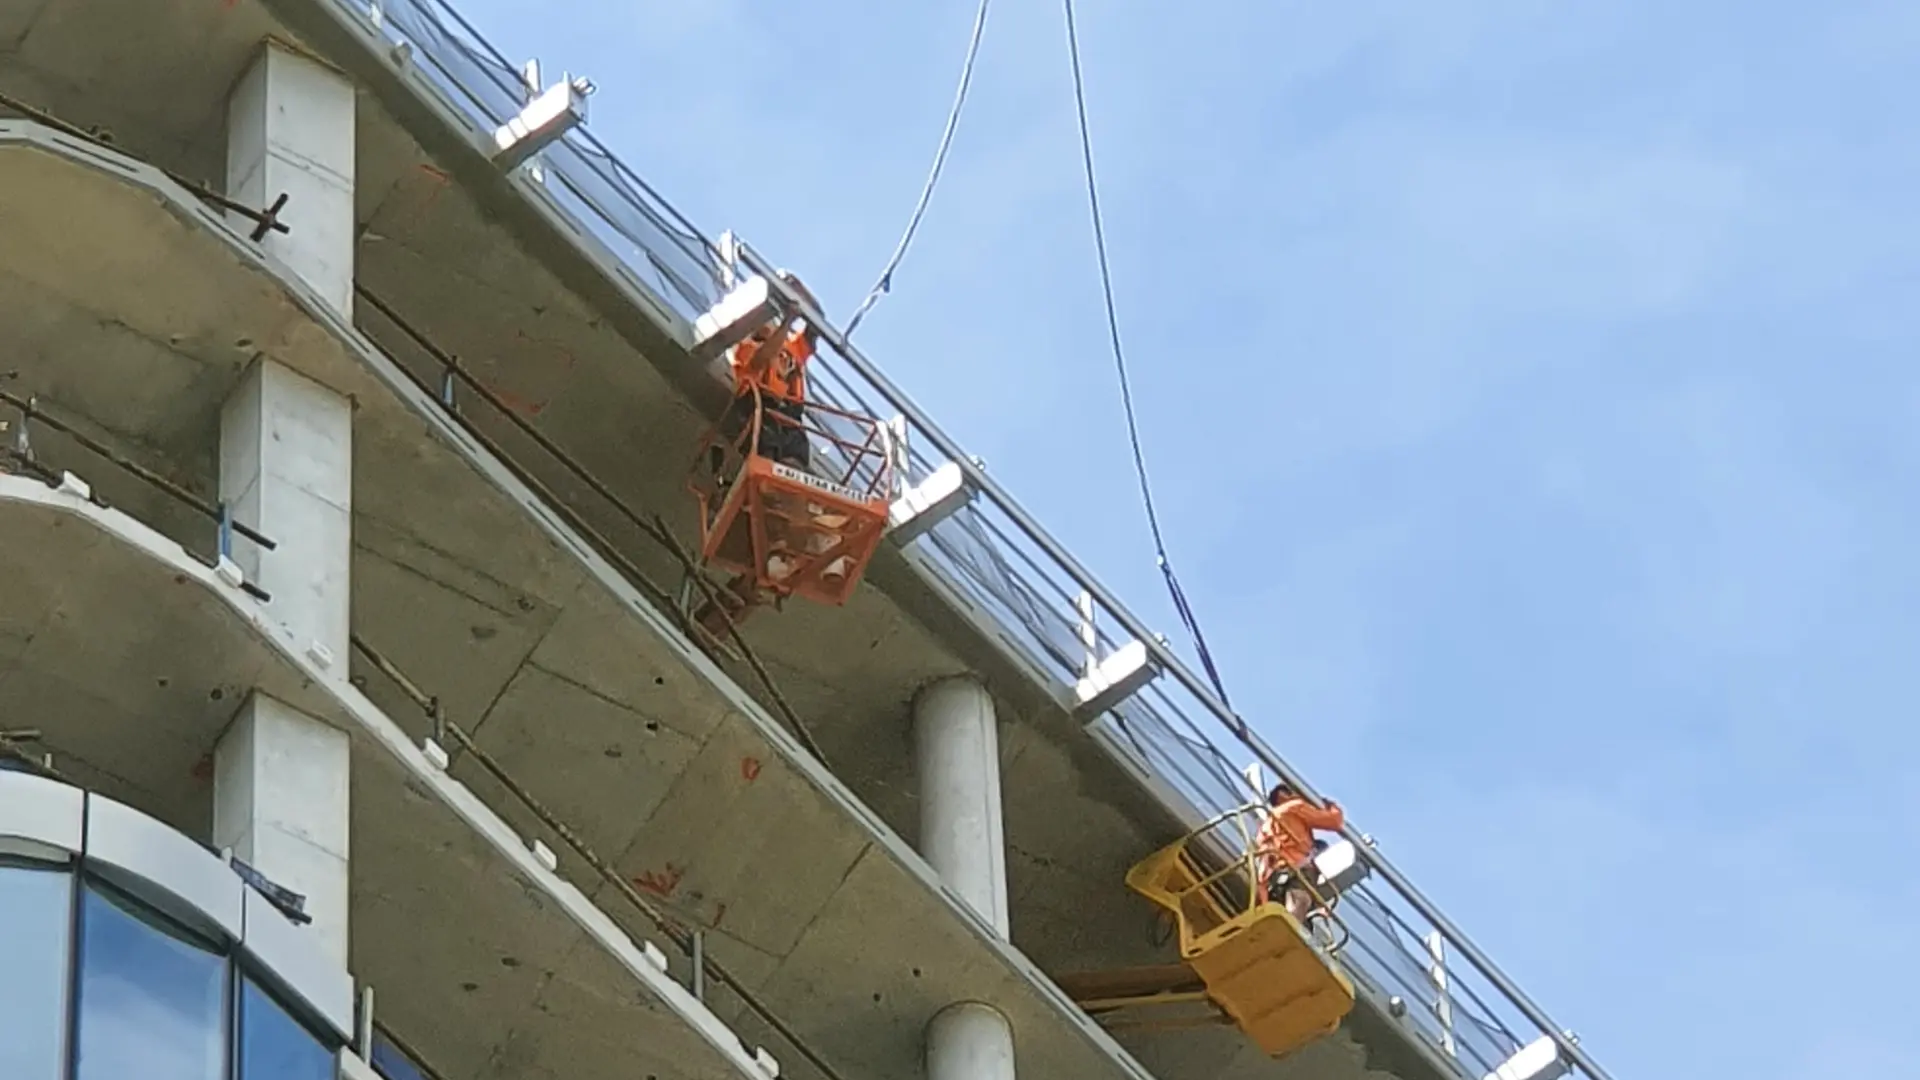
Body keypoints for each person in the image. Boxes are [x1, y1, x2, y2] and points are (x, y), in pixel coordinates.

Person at [1255, 782, 1345, 922]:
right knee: (1299, 902)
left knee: (1281, 911)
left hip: (1273, 874)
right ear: (1284, 794)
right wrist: (1331, 806)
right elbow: (1333, 822)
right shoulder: (1293, 806)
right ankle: (1289, 933)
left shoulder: (1267, 824)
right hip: (1296, 866)